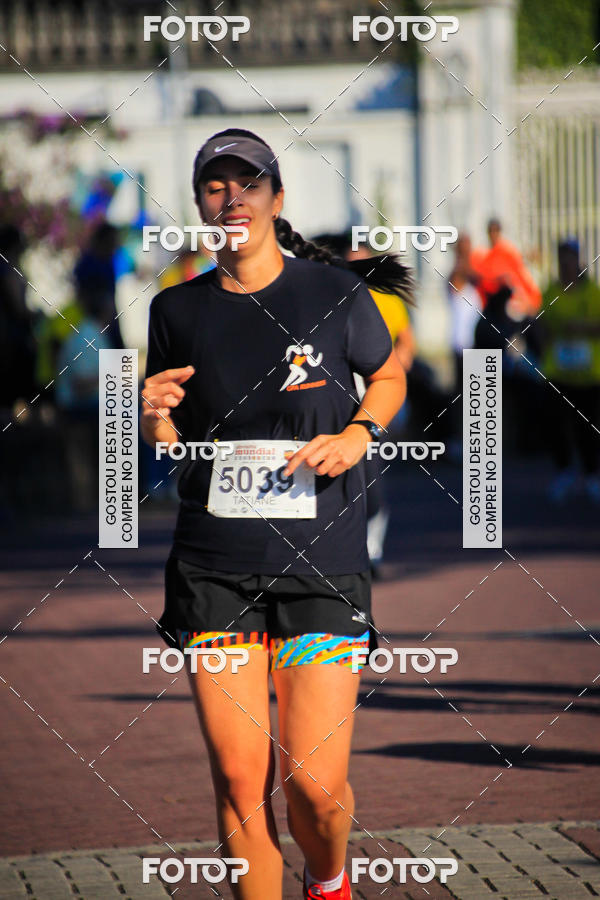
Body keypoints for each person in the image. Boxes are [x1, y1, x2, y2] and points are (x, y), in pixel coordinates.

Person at [141, 128, 410, 900]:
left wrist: (359, 434)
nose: (233, 198)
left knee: (315, 790)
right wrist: (151, 416)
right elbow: (171, 437)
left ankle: (330, 880)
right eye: (216, 186)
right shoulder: (176, 309)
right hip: (214, 562)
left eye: (248, 183)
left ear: (276, 198)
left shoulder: (334, 295)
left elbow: (387, 377)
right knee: (236, 778)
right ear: (201, 205)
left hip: (321, 562)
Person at [536, 239, 600, 502]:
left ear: (578, 260)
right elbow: (541, 325)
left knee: (587, 427)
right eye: (561, 260)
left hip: (588, 373)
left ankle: (592, 475)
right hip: (557, 371)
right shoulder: (550, 291)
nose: (566, 265)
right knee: (555, 425)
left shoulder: (592, 292)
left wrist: (578, 328)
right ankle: (564, 472)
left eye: (569, 259)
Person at [471, 217, 542, 317]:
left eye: (496, 230)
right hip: (492, 304)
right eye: (491, 231)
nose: (493, 234)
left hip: (510, 302)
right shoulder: (482, 255)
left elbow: (519, 274)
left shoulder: (507, 251)